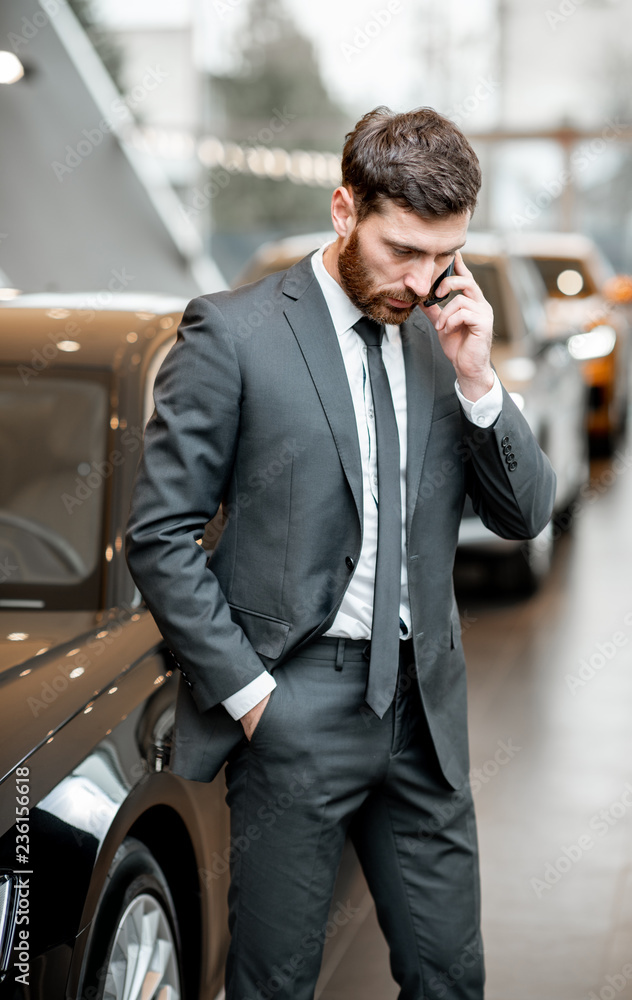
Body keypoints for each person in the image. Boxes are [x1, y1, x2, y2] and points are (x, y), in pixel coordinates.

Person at [125, 106, 556, 1000]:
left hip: (423, 715)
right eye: (403, 250)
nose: (422, 279)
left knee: (449, 978)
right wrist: (251, 700)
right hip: (293, 703)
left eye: (444, 255)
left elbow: (523, 516)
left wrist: (479, 379)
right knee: (275, 981)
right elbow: (160, 536)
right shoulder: (234, 333)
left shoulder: (446, 336)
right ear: (342, 210)